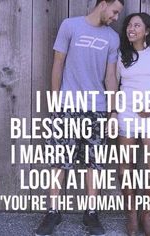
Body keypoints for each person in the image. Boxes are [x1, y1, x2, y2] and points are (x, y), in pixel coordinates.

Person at [35, 1, 124, 235]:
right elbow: (58, 64)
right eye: (114, 11)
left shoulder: (112, 38)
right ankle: (53, 212)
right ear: (103, 4)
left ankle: (91, 213)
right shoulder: (70, 26)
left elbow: (111, 76)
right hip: (67, 106)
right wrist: (55, 102)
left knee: (94, 163)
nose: (115, 17)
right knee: (58, 160)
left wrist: (112, 111)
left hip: (97, 109)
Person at [117, 13, 150, 236]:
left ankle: (146, 214)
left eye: (137, 25)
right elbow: (112, 84)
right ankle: (131, 213)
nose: (131, 28)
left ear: (147, 30)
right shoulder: (121, 54)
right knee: (126, 167)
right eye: (129, 25)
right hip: (127, 115)